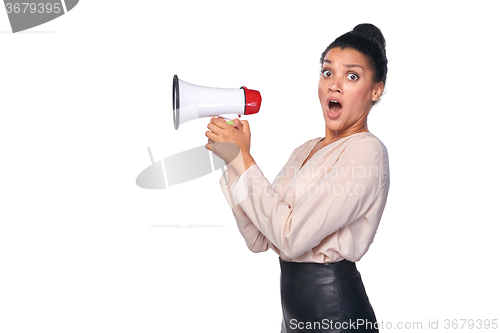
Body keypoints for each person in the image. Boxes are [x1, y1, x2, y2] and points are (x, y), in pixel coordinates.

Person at [205, 23, 389, 333]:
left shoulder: (366, 152)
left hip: (338, 317)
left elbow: (290, 239)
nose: (334, 85)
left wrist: (244, 159)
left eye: (352, 76)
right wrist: (233, 161)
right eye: (327, 72)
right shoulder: (304, 150)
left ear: (376, 90)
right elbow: (259, 237)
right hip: (294, 318)